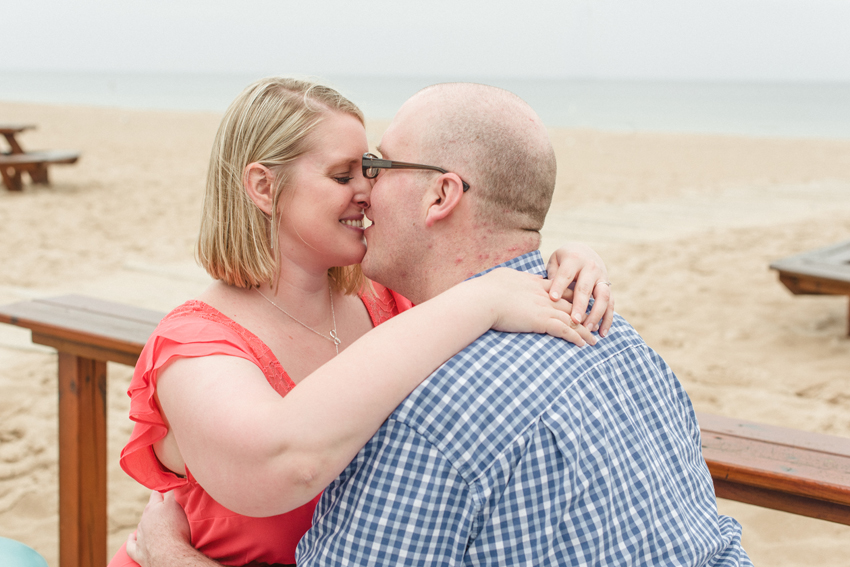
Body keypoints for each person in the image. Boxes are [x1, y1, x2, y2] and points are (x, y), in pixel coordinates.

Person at [128, 82, 752, 566]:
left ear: (440, 196)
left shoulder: (394, 311)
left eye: (374, 169)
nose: (366, 191)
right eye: (346, 175)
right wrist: (489, 294)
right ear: (264, 187)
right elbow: (281, 460)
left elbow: (473, 267)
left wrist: (564, 259)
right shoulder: (200, 346)